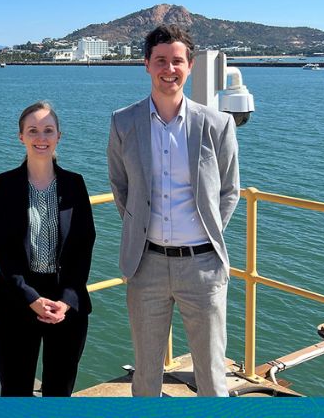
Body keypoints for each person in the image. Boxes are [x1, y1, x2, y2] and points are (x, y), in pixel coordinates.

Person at [107, 24, 240, 397]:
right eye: (161, 60)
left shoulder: (217, 124)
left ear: (190, 65)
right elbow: (121, 186)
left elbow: (229, 191)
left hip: (203, 267)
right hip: (145, 265)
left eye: (177, 61)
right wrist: (139, 229)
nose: (169, 69)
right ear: (146, 65)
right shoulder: (123, 122)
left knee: (212, 375)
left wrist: (206, 231)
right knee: (145, 376)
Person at [0, 101, 96, 397]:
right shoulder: (4, 184)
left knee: (60, 389)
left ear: (59, 136)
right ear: (20, 136)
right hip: (17, 299)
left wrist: (68, 299)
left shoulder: (75, 184)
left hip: (66, 301)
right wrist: (30, 297)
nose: (41, 137)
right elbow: (2, 249)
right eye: (33, 130)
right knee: (15, 388)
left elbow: (84, 244)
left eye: (48, 130)